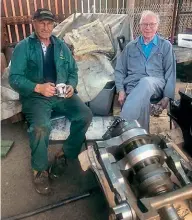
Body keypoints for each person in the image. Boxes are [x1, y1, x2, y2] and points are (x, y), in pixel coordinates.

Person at [9, 8, 93, 195]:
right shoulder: (24, 47)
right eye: (42, 23)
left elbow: (73, 71)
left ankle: (65, 154)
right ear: (34, 23)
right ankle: (39, 170)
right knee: (41, 127)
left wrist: (71, 85)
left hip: (61, 94)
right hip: (36, 97)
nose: (46, 27)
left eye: (49, 23)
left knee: (85, 115)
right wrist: (38, 88)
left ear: (54, 25)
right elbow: (14, 78)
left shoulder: (61, 46)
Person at [115, 10, 176, 131]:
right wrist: (120, 90)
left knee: (146, 82)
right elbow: (119, 70)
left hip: (156, 84)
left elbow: (171, 73)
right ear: (140, 26)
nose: (148, 28)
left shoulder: (165, 46)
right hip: (133, 86)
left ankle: (121, 126)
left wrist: (167, 97)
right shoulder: (130, 47)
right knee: (141, 100)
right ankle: (141, 139)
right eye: (145, 24)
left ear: (157, 26)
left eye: (152, 24)